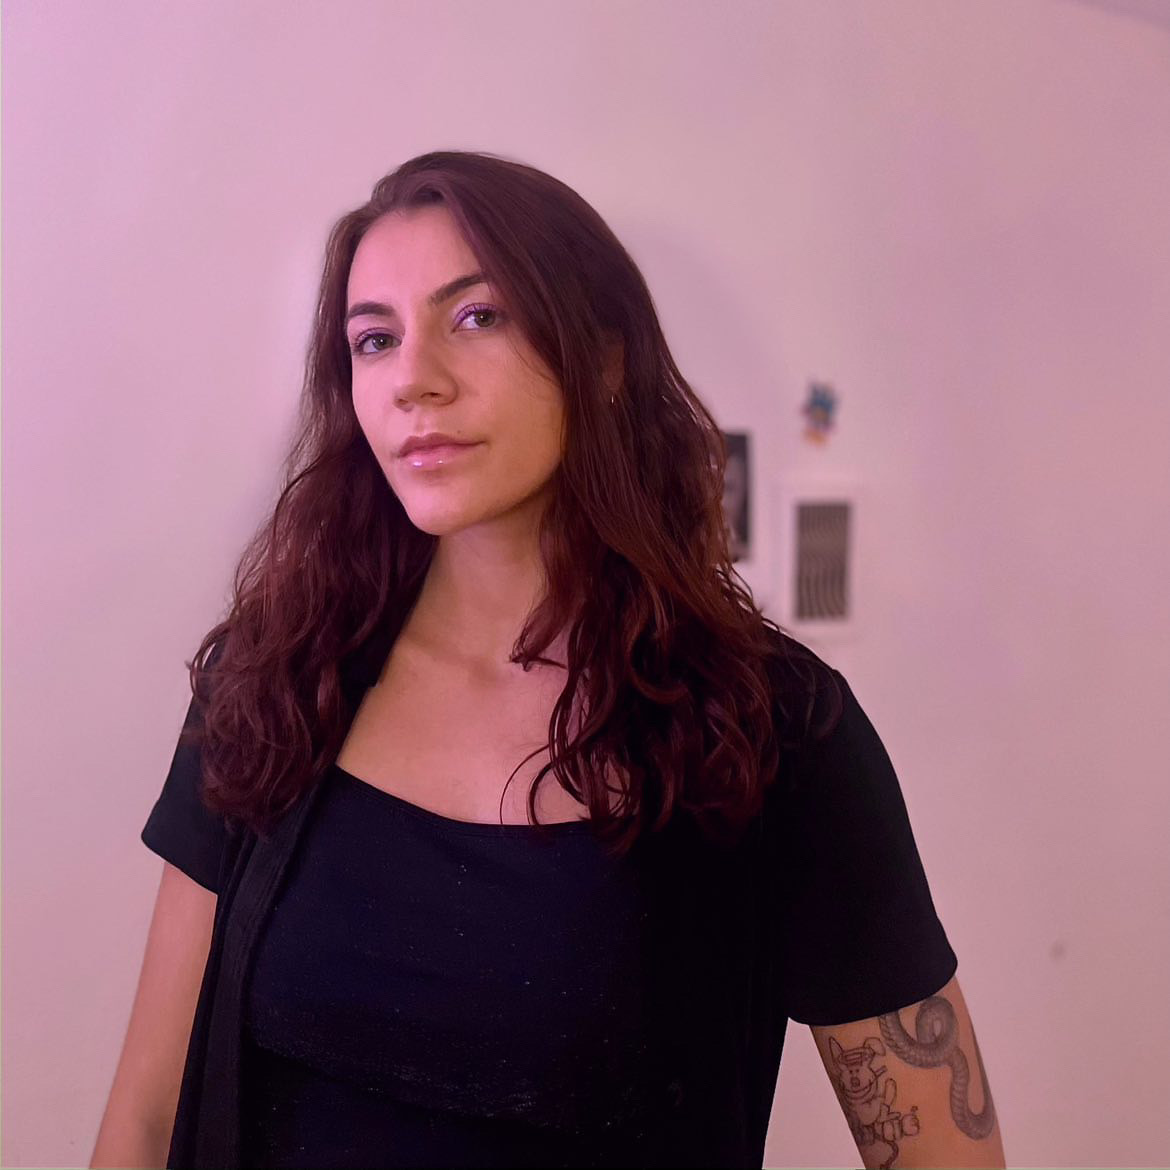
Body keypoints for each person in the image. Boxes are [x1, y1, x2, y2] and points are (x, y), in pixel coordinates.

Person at [90, 150, 1005, 1170]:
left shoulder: (772, 731)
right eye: (375, 339)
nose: (415, 380)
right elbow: (143, 1121)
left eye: (478, 317)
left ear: (603, 360)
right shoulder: (273, 683)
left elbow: (944, 1153)